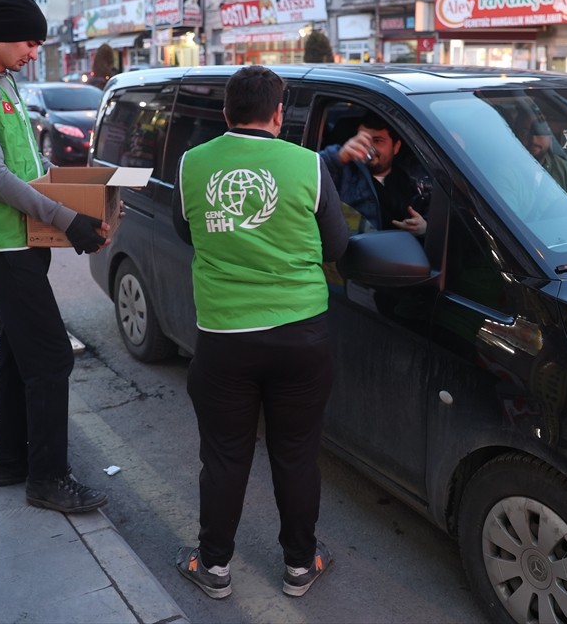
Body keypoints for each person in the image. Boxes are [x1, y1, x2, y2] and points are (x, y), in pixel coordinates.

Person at [172, 65, 349, 600]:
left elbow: (188, 230)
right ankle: (301, 565)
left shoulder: (193, 164)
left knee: (224, 455)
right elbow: (337, 246)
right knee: (296, 453)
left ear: (226, 113)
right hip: (301, 336)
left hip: (225, 338)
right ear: (279, 113)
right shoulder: (309, 166)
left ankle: (215, 567)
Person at [0, 0, 112, 514]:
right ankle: (49, 478)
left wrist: (73, 194)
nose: (36, 50)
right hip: (2, 241)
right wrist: (68, 218)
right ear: (2, 35)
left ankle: (9, 463)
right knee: (52, 356)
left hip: (24, 239)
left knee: (17, 353)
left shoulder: (3, 82)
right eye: (31, 41)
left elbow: (27, 161)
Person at [319, 111, 427, 236]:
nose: (369, 147)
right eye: (362, 139)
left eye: (377, 141)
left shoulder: (412, 178)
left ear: (396, 147)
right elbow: (312, 173)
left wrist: (424, 227)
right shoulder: (344, 172)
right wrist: (338, 157)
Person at [525, 120, 567, 194]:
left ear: (550, 136)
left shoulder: (565, 171)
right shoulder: (508, 170)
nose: (533, 140)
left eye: (539, 132)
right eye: (524, 133)